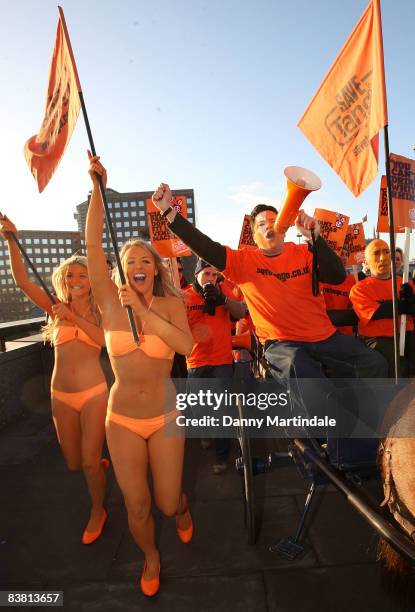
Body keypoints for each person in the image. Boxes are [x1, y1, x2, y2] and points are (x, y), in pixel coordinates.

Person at [151, 186, 387, 396]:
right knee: (301, 368)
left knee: (374, 363)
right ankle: (317, 435)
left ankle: (364, 429)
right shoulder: (243, 261)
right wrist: (168, 212)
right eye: (261, 225)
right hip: (283, 345)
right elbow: (204, 245)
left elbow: (336, 276)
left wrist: (315, 237)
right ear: (254, 236)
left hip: (324, 338)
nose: (268, 227)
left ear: (284, 226)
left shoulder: (304, 252)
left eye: (273, 221)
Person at [86, 154, 193, 597]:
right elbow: (93, 246)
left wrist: (146, 311)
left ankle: (184, 508)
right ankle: (150, 556)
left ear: (153, 267)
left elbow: (186, 347)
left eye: (143, 258)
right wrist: (98, 189)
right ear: (122, 271)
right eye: (129, 261)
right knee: (137, 503)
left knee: (167, 503)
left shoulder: (167, 304)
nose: (136, 265)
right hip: (123, 421)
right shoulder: (112, 303)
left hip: (166, 417)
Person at [0, 215, 109, 544]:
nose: (77, 279)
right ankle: (96, 465)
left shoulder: (102, 309)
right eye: (71, 274)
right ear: (63, 280)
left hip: (94, 394)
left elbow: (104, 341)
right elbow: (21, 281)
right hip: (60, 395)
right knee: (75, 463)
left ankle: (98, 509)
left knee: (89, 464)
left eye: (82, 274)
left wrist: (73, 316)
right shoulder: (54, 307)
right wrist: (11, 241)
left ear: (91, 280)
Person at [185, 257, 246, 473]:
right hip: (195, 361)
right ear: (196, 275)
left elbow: (241, 312)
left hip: (221, 360)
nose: (211, 278)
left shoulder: (223, 291)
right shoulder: (185, 295)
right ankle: (206, 431)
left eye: (214, 274)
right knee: (200, 408)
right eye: (206, 274)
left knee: (222, 410)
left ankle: (221, 457)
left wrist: (222, 299)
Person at [350, 239, 415, 377]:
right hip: (380, 341)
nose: (383, 258)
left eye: (387, 252)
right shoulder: (359, 289)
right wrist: (403, 305)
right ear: (366, 262)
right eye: (376, 253)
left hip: (409, 336)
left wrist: (412, 300)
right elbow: (376, 313)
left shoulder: (404, 283)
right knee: (395, 363)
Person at [321, 248, 356, 336]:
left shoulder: (353, 280)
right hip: (324, 331)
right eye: (341, 254)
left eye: (346, 254)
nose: (344, 257)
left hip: (345, 332)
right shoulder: (322, 278)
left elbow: (353, 307)